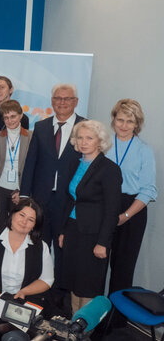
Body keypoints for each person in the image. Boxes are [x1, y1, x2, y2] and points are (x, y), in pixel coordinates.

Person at [58, 120, 122, 314]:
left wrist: (103, 242)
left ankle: (84, 327)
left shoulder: (109, 169)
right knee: (73, 281)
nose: (84, 142)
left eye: (89, 138)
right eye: (80, 138)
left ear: (99, 141)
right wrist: (63, 231)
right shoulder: (75, 164)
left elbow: (112, 210)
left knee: (87, 285)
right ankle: (74, 323)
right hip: (73, 230)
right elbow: (70, 200)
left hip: (94, 235)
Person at [20, 83, 86, 248]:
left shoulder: (85, 128)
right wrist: (24, 196)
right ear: (52, 101)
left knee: (64, 248)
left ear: (76, 101)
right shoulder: (41, 127)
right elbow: (31, 162)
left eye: (67, 99)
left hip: (69, 200)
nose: (62, 102)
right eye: (58, 98)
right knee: (38, 247)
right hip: (41, 199)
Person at [106, 99, 157, 296]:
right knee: (96, 264)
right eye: (120, 120)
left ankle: (116, 314)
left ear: (137, 124)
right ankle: (94, 310)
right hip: (104, 206)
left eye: (130, 121)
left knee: (122, 269)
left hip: (132, 210)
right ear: (113, 119)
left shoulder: (144, 150)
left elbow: (148, 190)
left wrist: (125, 216)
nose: (124, 126)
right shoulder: (103, 145)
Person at [0, 199, 53, 315]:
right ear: (12, 214)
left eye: (30, 220)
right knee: (1, 323)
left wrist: (24, 292)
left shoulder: (41, 247)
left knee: (21, 324)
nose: (24, 222)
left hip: (26, 301)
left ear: (34, 226)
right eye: (21, 215)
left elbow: (47, 280)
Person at [0, 100, 33, 231]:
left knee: (17, 227)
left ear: (21, 115)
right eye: (6, 117)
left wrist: (23, 192)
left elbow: (33, 169)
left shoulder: (31, 137)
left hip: (20, 189)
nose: (10, 121)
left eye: (13, 116)